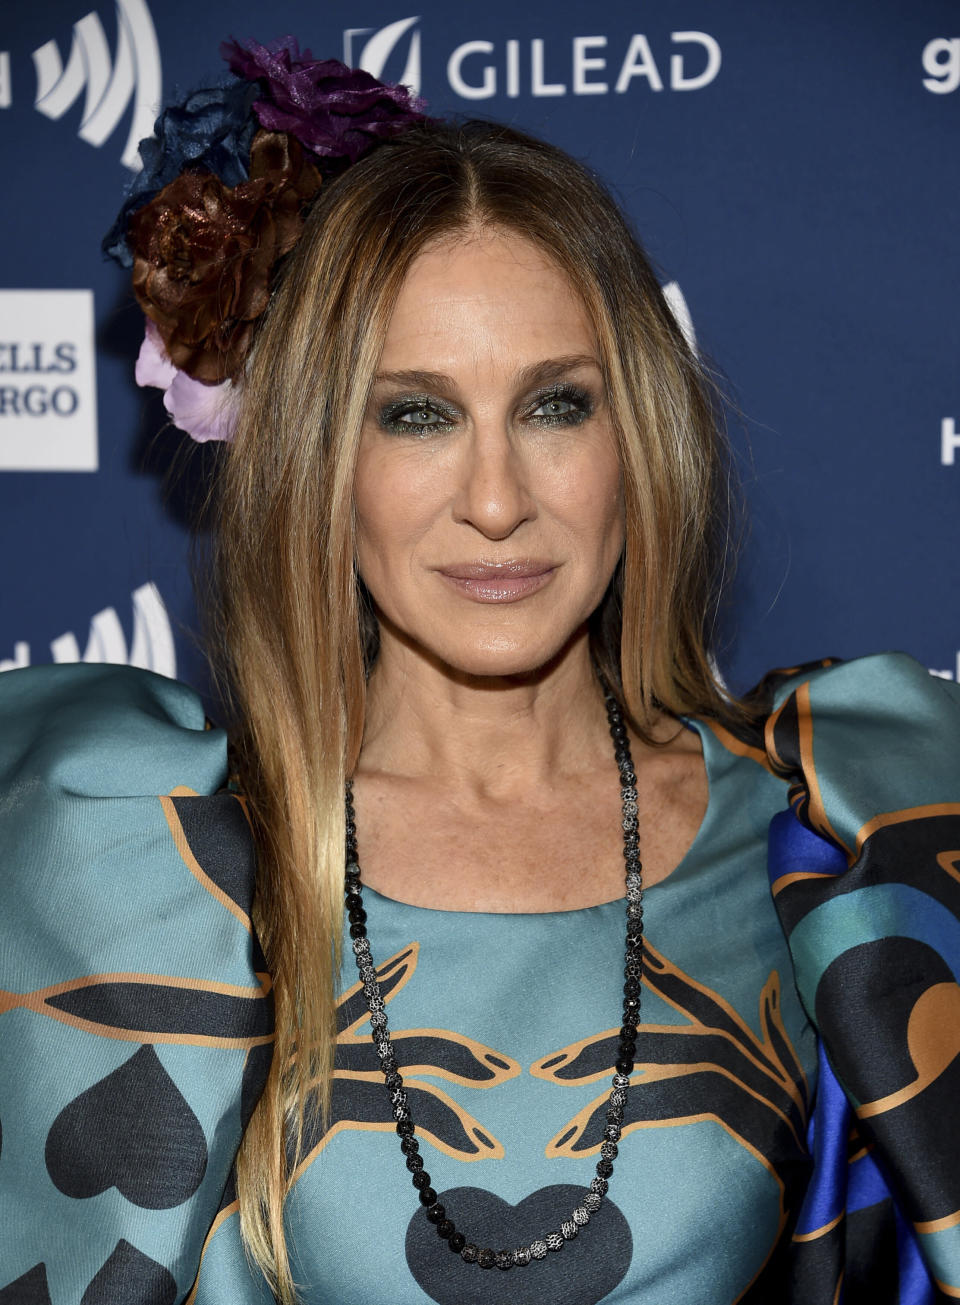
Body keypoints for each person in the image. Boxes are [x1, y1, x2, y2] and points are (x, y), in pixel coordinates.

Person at [1, 37, 958, 1305]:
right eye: (417, 413)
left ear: (640, 436)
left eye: (557, 406)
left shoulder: (829, 835)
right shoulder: (137, 857)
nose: (498, 500)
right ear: (317, 456)